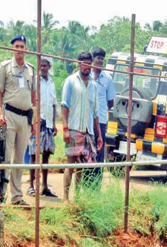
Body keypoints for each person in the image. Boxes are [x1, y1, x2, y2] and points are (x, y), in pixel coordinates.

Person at [0, 34, 36, 205]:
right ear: (12, 48)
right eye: (16, 46)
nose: (19, 49)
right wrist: (0, 114)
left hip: (25, 117)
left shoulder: (31, 69)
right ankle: (0, 194)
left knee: (19, 158)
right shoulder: (5, 67)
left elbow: (33, 96)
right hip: (9, 115)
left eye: (22, 46)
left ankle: (17, 196)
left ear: (26, 49)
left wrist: (34, 120)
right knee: (5, 155)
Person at [61, 51, 100, 202]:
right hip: (73, 129)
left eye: (89, 63)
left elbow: (95, 113)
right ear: (79, 63)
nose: (87, 66)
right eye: (84, 63)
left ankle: (76, 198)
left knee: (81, 168)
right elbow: (64, 107)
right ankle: (65, 198)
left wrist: (99, 135)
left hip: (87, 131)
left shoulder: (93, 86)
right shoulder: (70, 81)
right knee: (70, 164)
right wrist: (65, 129)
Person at [26, 56, 57, 197]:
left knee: (46, 156)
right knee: (34, 154)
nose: (42, 68)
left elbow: (54, 104)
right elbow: (31, 102)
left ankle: (44, 186)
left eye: (45, 66)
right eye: (41, 66)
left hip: (49, 123)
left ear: (49, 67)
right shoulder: (34, 81)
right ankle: (31, 186)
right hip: (36, 123)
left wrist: (54, 124)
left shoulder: (51, 83)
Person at [85, 47, 116, 184]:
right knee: (86, 150)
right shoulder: (87, 75)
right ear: (93, 60)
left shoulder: (107, 78)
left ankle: (96, 183)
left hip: (101, 120)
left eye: (102, 59)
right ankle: (86, 180)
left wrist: (100, 110)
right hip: (87, 120)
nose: (100, 61)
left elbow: (111, 102)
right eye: (98, 58)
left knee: (99, 150)